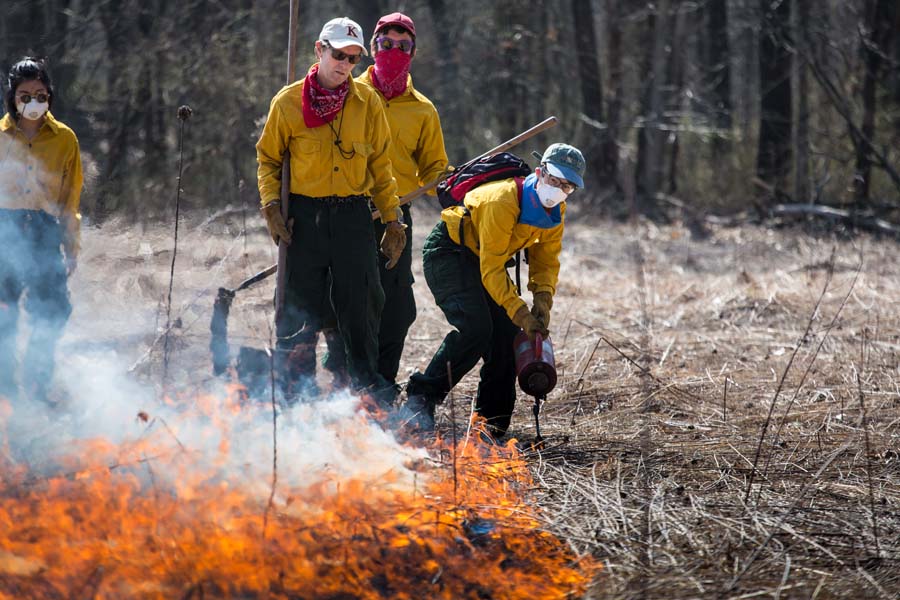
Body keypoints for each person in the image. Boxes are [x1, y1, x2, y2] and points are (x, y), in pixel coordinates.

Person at [256, 17, 406, 402]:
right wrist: (271, 205)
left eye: (354, 59)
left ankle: (363, 394)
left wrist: (393, 219)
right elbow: (268, 160)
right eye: (338, 54)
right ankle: (294, 395)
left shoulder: (367, 102)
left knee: (360, 308)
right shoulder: (287, 102)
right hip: (303, 218)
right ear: (319, 49)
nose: (345, 64)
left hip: (353, 216)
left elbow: (380, 167)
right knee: (298, 305)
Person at [399, 143, 586, 438]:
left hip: (486, 261)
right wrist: (521, 312)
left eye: (567, 186)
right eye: (554, 180)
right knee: (476, 328)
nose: (558, 190)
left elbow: (545, 261)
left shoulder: (555, 212)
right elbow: (492, 269)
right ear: (540, 172)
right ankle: (420, 400)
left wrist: (543, 301)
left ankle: (491, 424)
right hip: (450, 254)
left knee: (506, 339)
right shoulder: (502, 200)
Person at [321, 11, 449, 401]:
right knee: (346, 302)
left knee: (396, 308)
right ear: (372, 49)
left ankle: (381, 384)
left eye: (403, 45)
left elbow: (434, 168)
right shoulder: (347, 95)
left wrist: (449, 182)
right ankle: (346, 382)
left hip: (397, 216)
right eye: (385, 44)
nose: (393, 51)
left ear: (413, 52)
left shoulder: (423, 109)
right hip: (350, 211)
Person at [0, 57, 83, 404]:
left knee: (53, 310)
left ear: (49, 95)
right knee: (4, 313)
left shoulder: (65, 139)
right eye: (24, 94)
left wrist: (71, 246)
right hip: (4, 229)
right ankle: (6, 388)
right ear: (12, 97)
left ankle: (37, 386)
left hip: (45, 231)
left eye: (39, 94)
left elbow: (70, 198)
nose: (33, 101)